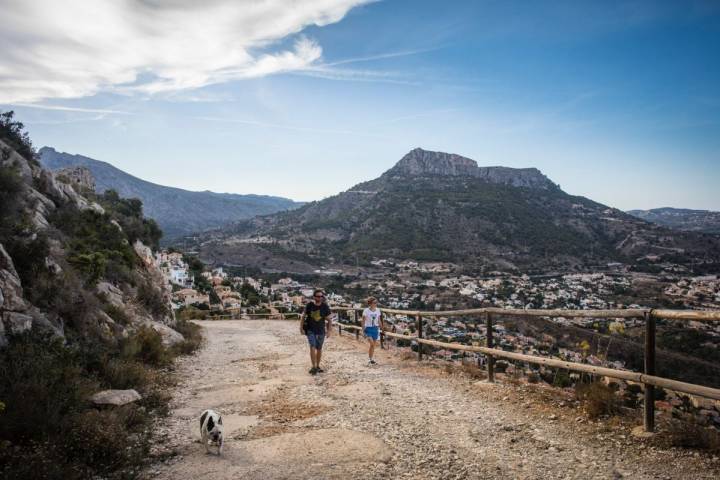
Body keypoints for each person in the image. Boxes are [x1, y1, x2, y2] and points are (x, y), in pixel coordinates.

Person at [301, 289, 332, 375]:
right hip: (310, 330)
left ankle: (318, 366)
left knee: (319, 348)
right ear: (314, 297)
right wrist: (301, 328)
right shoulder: (309, 305)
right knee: (312, 346)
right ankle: (313, 366)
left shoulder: (325, 306)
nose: (320, 298)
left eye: (321, 296)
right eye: (318, 296)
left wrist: (329, 330)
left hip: (321, 330)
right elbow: (303, 316)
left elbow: (329, 319)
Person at [362, 296, 383, 365]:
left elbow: (379, 320)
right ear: (370, 303)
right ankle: (370, 359)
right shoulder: (366, 310)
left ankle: (371, 359)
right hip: (368, 329)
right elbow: (363, 321)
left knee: (373, 346)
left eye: (376, 302)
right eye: (374, 302)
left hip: (375, 329)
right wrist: (363, 331)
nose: (376, 304)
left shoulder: (378, 310)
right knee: (372, 344)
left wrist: (382, 328)